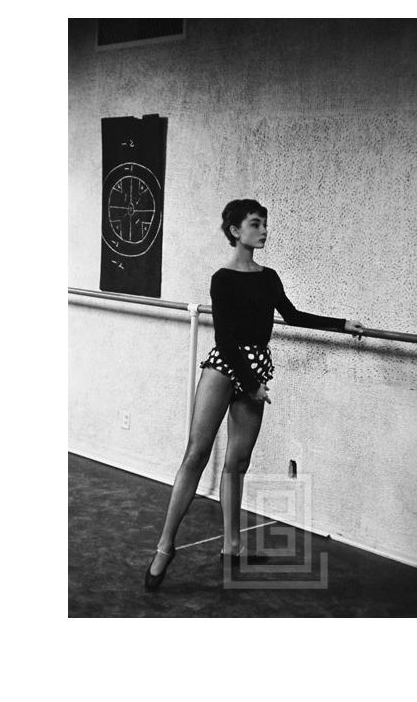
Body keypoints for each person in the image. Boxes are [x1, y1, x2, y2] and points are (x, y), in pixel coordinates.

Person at [145, 199, 365, 591]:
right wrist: (250, 384)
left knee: (238, 461)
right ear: (235, 230)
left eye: (264, 224)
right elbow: (225, 338)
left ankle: (232, 545)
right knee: (196, 454)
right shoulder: (223, 278)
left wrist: (342, 324)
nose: (263, 230)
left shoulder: (270, 277)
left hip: (256, 368)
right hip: (225, 367)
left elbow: (293, 316)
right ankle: (165, 546)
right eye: (255, 223)